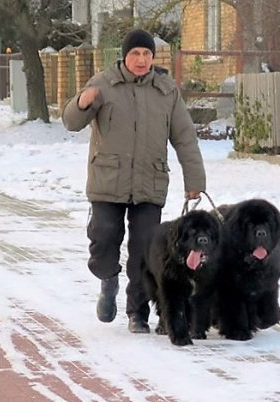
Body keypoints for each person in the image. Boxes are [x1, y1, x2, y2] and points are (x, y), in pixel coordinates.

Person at [62, 29, 205, 333]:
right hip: (107, 181)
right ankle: (108, 280)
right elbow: (71, 123)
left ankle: (137, 313)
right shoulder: (102, 84)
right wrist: (82, 103)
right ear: (124, 56)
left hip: (149, 183)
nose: (141, 60)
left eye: (146, 54)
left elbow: (186, 139)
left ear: (153, 57)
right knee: (104, 238)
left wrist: (195, 180)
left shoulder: (166, 91)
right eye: (135, 54)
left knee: (144, 250)